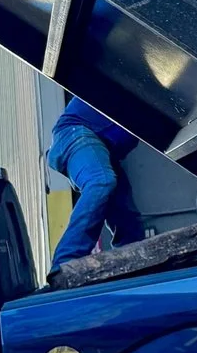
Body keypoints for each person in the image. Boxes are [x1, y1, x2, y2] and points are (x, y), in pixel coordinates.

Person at [47, 97, 146, 269]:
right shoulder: (130, 83)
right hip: (75, 133)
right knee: (101, 181)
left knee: (126, 215)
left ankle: (133, 265)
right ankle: (65, 263)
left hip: (102, 149)